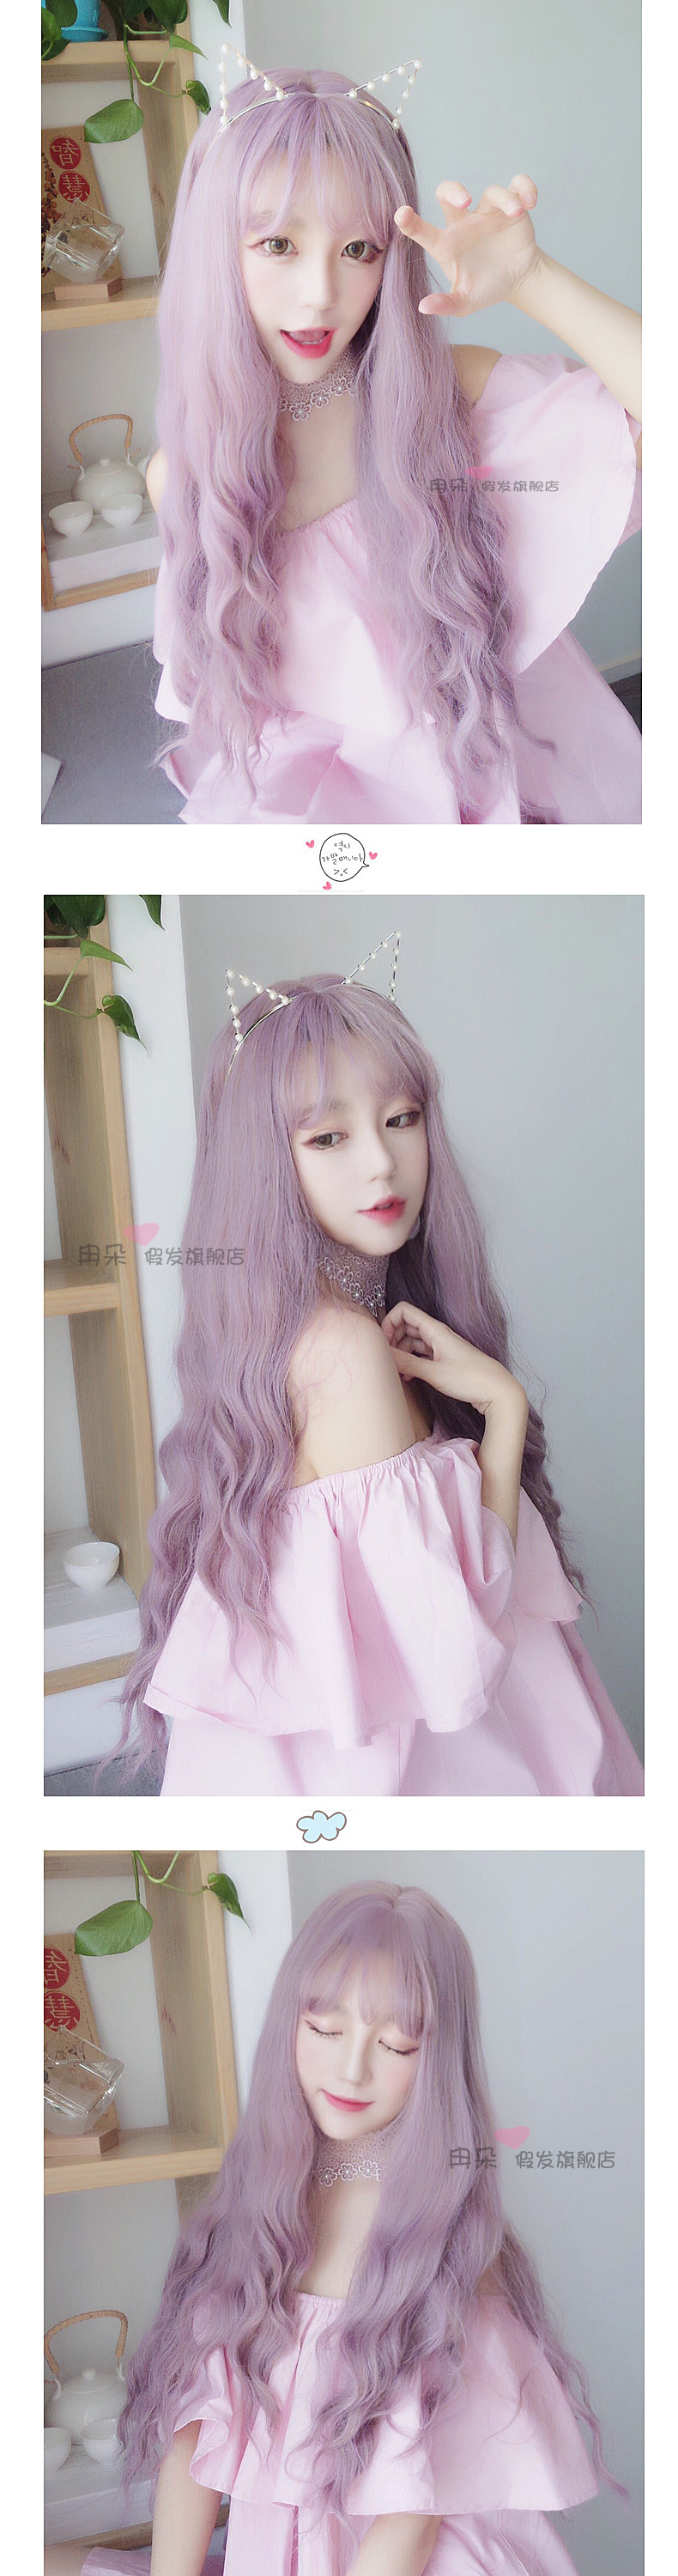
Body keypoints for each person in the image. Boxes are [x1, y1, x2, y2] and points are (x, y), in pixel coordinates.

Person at [118, 957, 643, 1797]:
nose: (381, 1165)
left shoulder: (290, 1329)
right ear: (265, 1161)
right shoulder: (341, 1350)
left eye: (401, 1119)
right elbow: (464, 1626)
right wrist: (502, 1407)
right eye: (328, 1137)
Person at [44, 1883, 629, 2576]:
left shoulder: (446, 2247)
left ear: (438, 2060)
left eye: (396, 2045)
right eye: (325, 2030)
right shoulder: (257, 2209)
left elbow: (410, 2521)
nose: (352, 2070)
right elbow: (194, 2436)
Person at [146, 52, 642, 828]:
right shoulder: (185, 475)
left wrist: (533, 277)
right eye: (278, 244)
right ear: (217, 248)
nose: (321, 295)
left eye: (359, 250)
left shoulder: (450, 395)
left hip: (502, 757)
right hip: (329, 803)